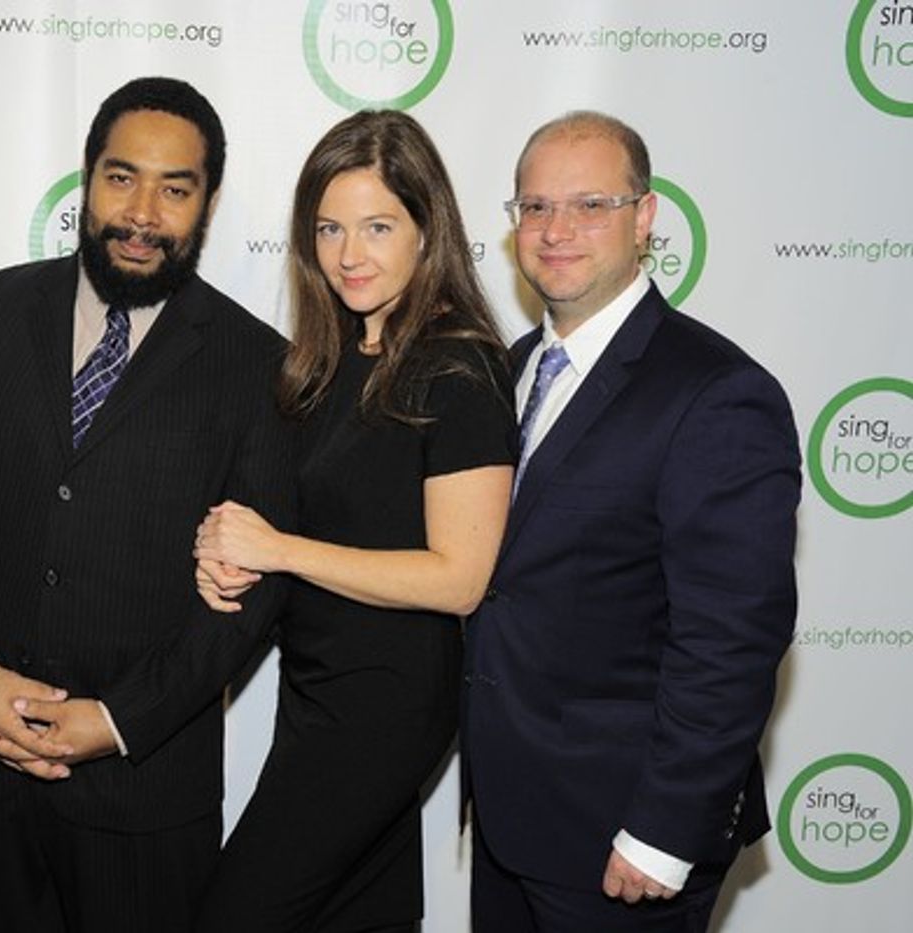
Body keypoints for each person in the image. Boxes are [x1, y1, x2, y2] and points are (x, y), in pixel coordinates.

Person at [0, 76, 296, 932]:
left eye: (174, 188)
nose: (142, 211)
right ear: (86, 176)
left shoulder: (258, 365)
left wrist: (114, 720)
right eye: (121, 177)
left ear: (207, 204)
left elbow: (250, 599)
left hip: (145, 793)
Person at [462, 111, 800, 932]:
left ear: (645, 218)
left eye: (591, 205)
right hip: (511, 821)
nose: (556, 231)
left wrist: (662, 832)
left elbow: (732, 637)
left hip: (626, 840)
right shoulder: (506, 371)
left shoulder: (717, 392)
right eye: (534, 208)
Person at [190, 110, 516, 932]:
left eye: (378, 226)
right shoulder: (329, 359)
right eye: (330, 228)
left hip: (387, 704)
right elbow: (306, 516)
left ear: (426, 227)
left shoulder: (459, 363)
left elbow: (461, 576)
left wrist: (280, 548)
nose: (348, 253)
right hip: (318, 686)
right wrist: (226, 551)